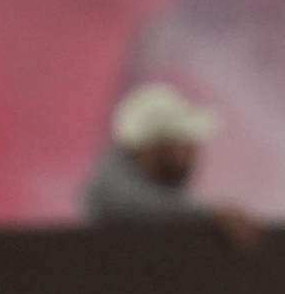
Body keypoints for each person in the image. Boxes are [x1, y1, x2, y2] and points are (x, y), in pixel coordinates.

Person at [81, 81, 258, 237]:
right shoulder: (112, 190)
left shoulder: (172, 196)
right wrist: (210, 216)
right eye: (180, 141)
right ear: (150, 145)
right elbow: (130, 206)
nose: (192, 151)